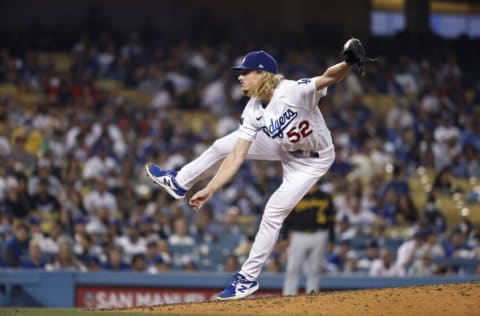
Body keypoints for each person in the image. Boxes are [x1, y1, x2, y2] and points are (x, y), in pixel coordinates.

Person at [145, 39, 369, 300]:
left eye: (245, 73)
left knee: (273, 212)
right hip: (283, 147)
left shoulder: (293, 90)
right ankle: (180, 182)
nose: (240, 78)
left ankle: (247, 279)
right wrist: (210, 188)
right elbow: (237, 156)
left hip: (312, 160)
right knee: (222, 146)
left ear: (262, 73)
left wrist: (348, 63)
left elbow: (328, 78)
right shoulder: (252, 109)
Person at [282, 182, 335, 295]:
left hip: (320, 234)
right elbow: (288, 219)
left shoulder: (325, 197)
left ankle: (312, 297)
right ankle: (288, 296)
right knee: (293, 268)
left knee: (315, 269)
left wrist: (331, 239)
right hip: (299, 235)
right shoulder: (296, 195)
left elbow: (331, 221)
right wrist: (285, 236)